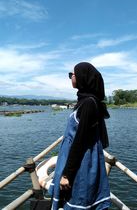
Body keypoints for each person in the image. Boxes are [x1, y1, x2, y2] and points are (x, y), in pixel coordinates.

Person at [49, 62, 111, 210]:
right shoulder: (85, 100)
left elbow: (80, 141)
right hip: (79, 156)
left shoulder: (88, 103)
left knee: (79, 198)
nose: (70, 77)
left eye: (72, 75)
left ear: (83, 77)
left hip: (82, 160)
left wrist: (66, 174)